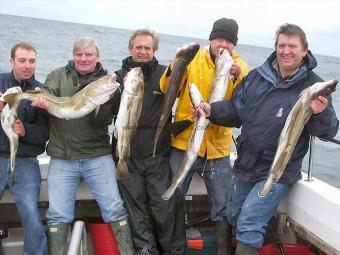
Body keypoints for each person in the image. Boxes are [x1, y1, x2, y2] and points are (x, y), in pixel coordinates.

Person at [198, 23, 339, 254]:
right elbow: (236, 109)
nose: (286, 50)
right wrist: (212, 110)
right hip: (246, 163)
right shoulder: (256, 77)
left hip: (278, 170)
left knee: (249, 223)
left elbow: (327, 132)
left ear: (305, 50)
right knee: (233, 213)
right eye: (282, 45)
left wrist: (321, 113)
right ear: (276, 48)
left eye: (293, 46)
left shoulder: (315, 87)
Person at [32, 37, 134, 255]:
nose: (83, 58)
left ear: (97, 57)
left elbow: (102, 122)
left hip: (97, 155)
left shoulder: (107, 82)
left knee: (115, 209)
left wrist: (106, 103)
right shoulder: (58, 75)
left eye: (88, 54)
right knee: (57, 215)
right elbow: (48, 105)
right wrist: (41, 104)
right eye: (79, 54)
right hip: (62, 156)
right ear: (74, 56)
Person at [159, 18, 248, 255]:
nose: (224, 45)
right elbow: (168, 89)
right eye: (220, 39)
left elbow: (245, 102)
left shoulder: (240, 66)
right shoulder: (192, 60)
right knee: (172, 198)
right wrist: (174, 65)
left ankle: (223, 251)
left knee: (223, 206)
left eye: (230, 41)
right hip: (184, 143)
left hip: (218, 149)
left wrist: (238, 76)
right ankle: (173, 250)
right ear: (211, 38)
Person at [113, 29, 185, 255]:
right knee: (136, 211)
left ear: (154, 50)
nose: (143, 51)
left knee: (164, 208)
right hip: (127, 155)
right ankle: (146, 251)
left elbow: (187, 85)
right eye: (138, 47)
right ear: (130, 49)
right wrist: (118, 90)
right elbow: (105, 111)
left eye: (147, 48)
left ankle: (173, 252)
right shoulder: (116, 77)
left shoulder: (166, 75)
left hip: (157, 155)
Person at [0, 42, 48, 254]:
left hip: (25, 161)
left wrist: (24, 131)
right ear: (12, 61)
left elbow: (44, 135)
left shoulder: (40, 93)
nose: (27, 65)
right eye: (22, 60)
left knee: (30, 212)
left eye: (32, 61)